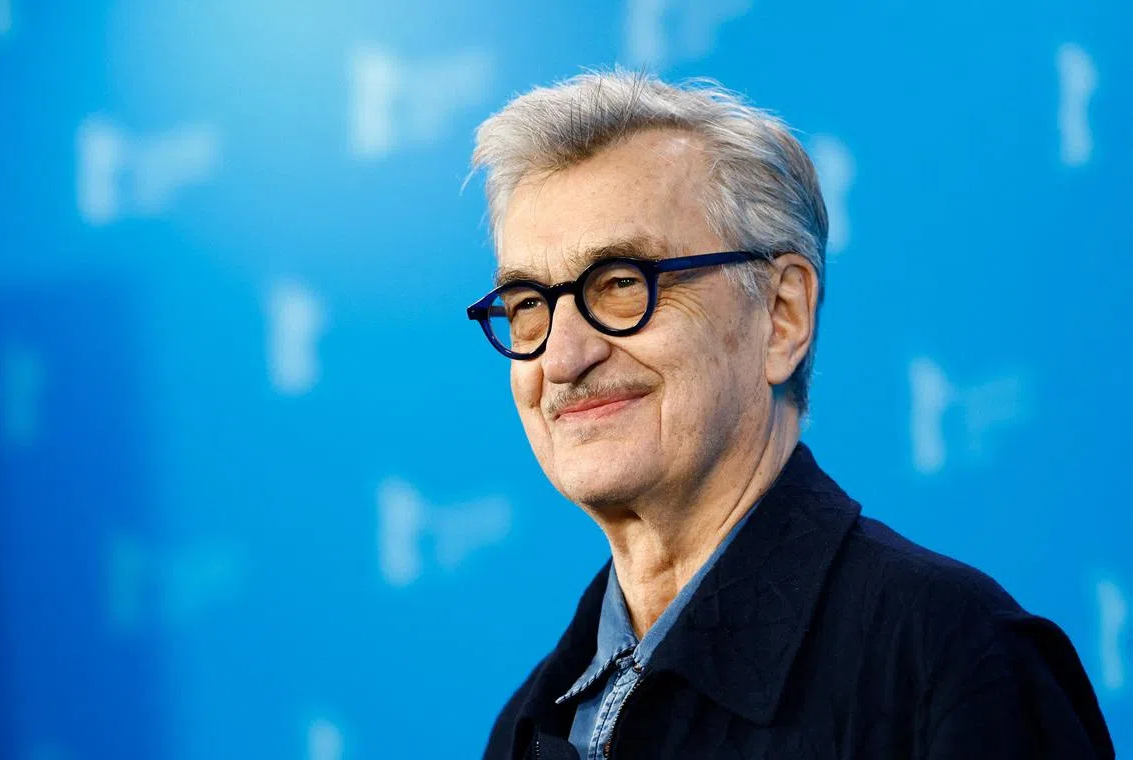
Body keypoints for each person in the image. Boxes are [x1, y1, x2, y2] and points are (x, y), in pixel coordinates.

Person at [464, 71, 1114, 760]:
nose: (562, 357)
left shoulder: (952, 659)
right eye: (529, 303)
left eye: (621, 284)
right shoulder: (530, 723)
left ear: (781, 316)